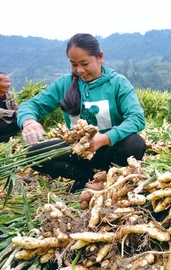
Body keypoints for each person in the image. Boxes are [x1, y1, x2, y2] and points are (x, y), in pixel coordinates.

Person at [17, 33, 146, 191]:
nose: (80, 70)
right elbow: (32, 105)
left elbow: (136, 118)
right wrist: (29, 121)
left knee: (135, 143)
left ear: (100, 57)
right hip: (77, 150)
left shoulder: (118, 83)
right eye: (74, 64)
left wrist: (105, 138)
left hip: (110, 150)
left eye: (85, 63)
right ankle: (86, 178)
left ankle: (113, 175)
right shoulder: (65, 83)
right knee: (35, 155)